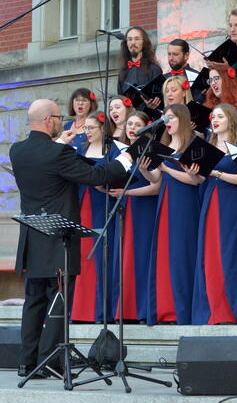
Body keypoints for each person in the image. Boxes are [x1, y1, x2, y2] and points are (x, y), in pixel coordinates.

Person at [10, 99, 131, 377]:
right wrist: (124, 161)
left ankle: (25, 362)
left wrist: (60, 145)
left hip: (32, 237)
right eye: (58, 118)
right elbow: (95, 174)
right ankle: (48, 361)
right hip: (57, 240)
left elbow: (48, 165)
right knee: (58, 302)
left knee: (33, 302)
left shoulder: (17, 151)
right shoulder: (57, 154)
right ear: (50, 121)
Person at [142, 104, 203, 325]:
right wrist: (143, 168)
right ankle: (165, 309)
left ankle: (182, 310)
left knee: (182, 254)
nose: (168, 122)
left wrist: (168, 170)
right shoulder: (162, 146)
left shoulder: (194, 145)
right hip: (166, 201)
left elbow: (196, 180)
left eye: (171, 118)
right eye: (165, 118)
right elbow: (156, 179)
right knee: (165, 253)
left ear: (182, 120)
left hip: (185, 203)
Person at [192, 103, 237, 324]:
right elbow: (200, 179)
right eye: (213, 116)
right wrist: (195, 174)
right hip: (210, 199)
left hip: (230, 202)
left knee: (229, 253)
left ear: (230, 120)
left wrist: (216, 172)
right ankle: (212, 310)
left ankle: (231, 310)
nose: (215, 120)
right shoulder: (207, 145)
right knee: (210, 254)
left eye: (220, 116)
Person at [109, 111, 159, 323]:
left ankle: (140, 309)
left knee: (139, 256)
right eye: (129, 123)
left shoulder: (149, 149)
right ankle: (124, 309)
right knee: (124, 256)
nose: (131, 128)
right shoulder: (119, 150)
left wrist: (127, 192)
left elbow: (156, 184)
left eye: (137, 124)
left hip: (143, 208)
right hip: (124, 207)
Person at [70, 112, 118, 324]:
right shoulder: (80, 149)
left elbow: (120, 175)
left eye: (91, 128)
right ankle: (79, 311)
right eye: (86, 128)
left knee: (100, 256)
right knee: (80, 256)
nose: (87, 132)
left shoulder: (113, 149)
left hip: (102, 206)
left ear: (102, 129)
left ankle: (100, 311)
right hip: (82, 205)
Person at [117, 26, 163, 96]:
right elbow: (120, 97)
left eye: (137, 39)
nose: (133, 42)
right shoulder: (123, 72)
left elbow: (159, 97)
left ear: (144, 42)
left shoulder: (154, 69)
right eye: (129, 39)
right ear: (126, 43)